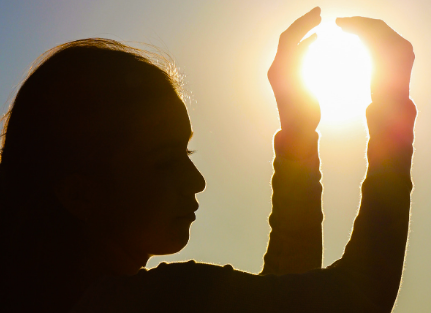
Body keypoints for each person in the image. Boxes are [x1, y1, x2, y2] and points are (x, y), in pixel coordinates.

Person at [0, 7, 416, 313]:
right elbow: (359, 296)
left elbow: (288, 289)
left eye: (188, 152)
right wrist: (394, 112)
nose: (197, 180)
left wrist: (299, 134)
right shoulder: (158, 301)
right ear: (80, 195)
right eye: (166, 160)